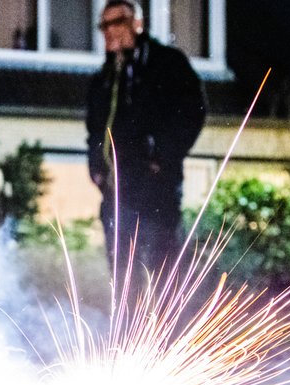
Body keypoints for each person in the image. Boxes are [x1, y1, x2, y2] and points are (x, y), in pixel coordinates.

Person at [87, 0, 205, 278]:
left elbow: (192, 112)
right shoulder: (105, 78)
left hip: (156, 191)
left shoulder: (167, 64)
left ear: (137, 24)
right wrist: (96, 169)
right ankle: (127, 324)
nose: (109, 31)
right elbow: (94, 131)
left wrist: (160, 153)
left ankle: (167, 323)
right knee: (124, 278)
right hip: (117, 193)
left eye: (117, 22)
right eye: (104, 25)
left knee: (164, 273)